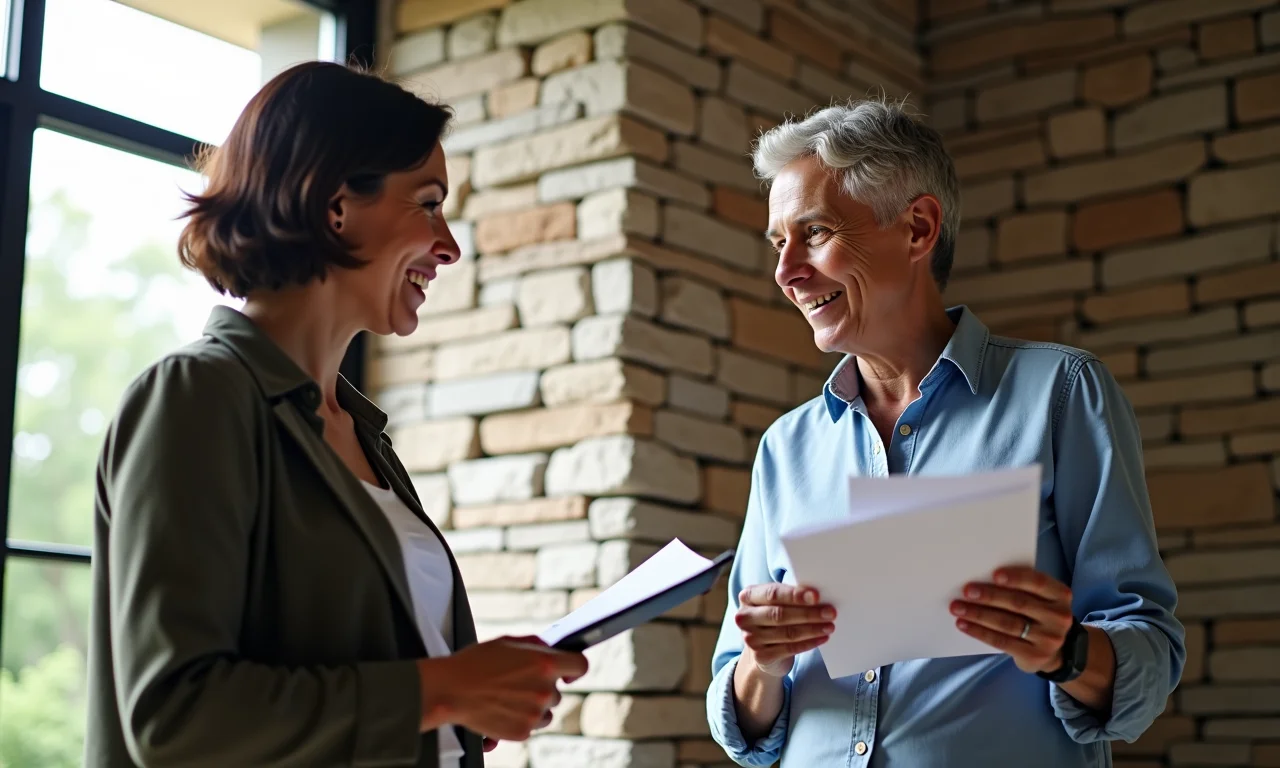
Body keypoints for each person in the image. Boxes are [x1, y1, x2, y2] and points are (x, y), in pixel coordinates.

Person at [84, 61, 588, 768]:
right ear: (336, 206)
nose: (450, 247)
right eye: (429, 203)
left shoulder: (360, 435)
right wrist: (439, 691)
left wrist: (470, 700)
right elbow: (175, 717)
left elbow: (369, 693)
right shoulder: (198, 398)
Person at [706, 99, 1185, 767]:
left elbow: (1149, 660)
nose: (786, 274)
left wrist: (1067, 651)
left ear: (918, 228)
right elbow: (744, 724)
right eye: (777, 243)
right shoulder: (787, 448)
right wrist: (761, 665)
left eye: (812, 233)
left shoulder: (1061, 394)